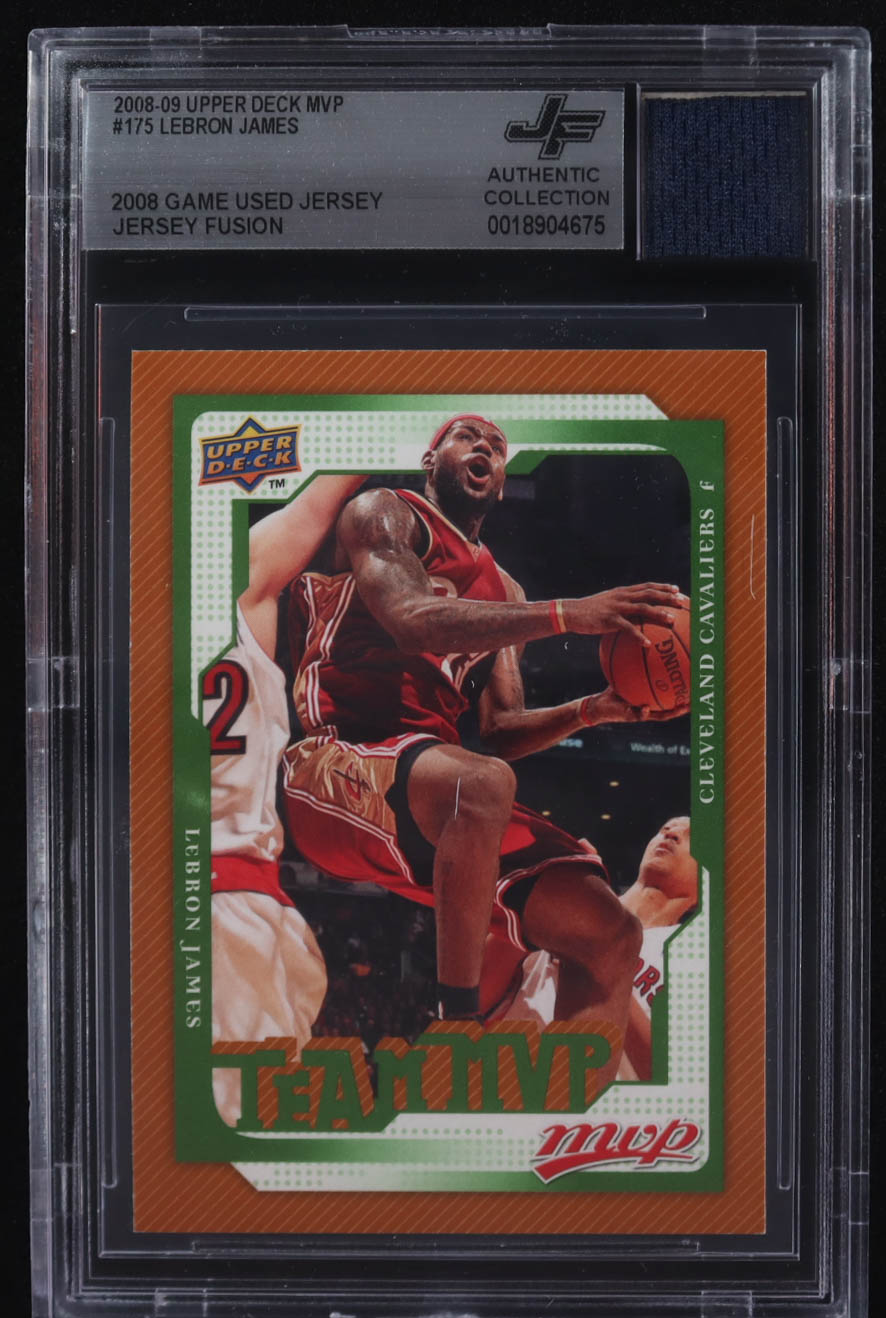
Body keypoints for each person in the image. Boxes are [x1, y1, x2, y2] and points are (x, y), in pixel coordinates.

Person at [281, 414, 686, 1075]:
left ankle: (568, 1111)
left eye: (497, 447)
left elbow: (500, 732)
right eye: (468, 436)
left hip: (430, 793)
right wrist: (569, 614)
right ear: (431, 458)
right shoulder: (385, 513)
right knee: (481, 784)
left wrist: (593, 709)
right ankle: (458, 1029)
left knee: (610, 930)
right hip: (334, 762)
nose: (486, 449)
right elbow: (410, 620)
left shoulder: (507, 591)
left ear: (500, 483)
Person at [204, 475, 363, 1125]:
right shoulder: (236, 584)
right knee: (236, 1139)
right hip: (229, 905)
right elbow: (327, 491)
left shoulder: (84, 643)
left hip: (207, 902)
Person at [492, 817, 699, 1083]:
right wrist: (545, 885)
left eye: (691, 836)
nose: (671, 834)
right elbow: (478, 1000)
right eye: (665, 829)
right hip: (510, 1084)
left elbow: (676, 1076)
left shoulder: (697, 957)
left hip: (597, 1102)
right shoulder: (567, 906)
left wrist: (602, 961)